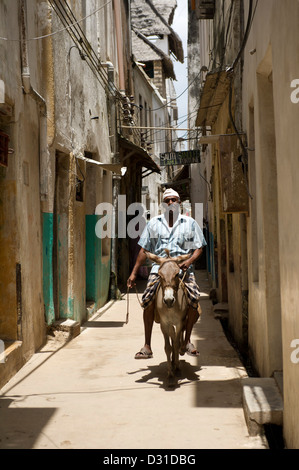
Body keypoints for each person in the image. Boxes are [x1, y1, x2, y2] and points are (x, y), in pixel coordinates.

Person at [127, 188, 207, 359]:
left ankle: (187, 340)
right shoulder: (153, 223)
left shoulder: (190, 223)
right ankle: (147, 345)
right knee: (147, 299)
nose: (170, 203)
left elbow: (199, 247)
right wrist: (134, 273)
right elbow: (144, 249)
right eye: (167, 200)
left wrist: (189, 262)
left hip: (183, 268)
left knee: (194, 297)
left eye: (174, 200)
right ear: (163, 204)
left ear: (179, 203)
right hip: (159, 268)